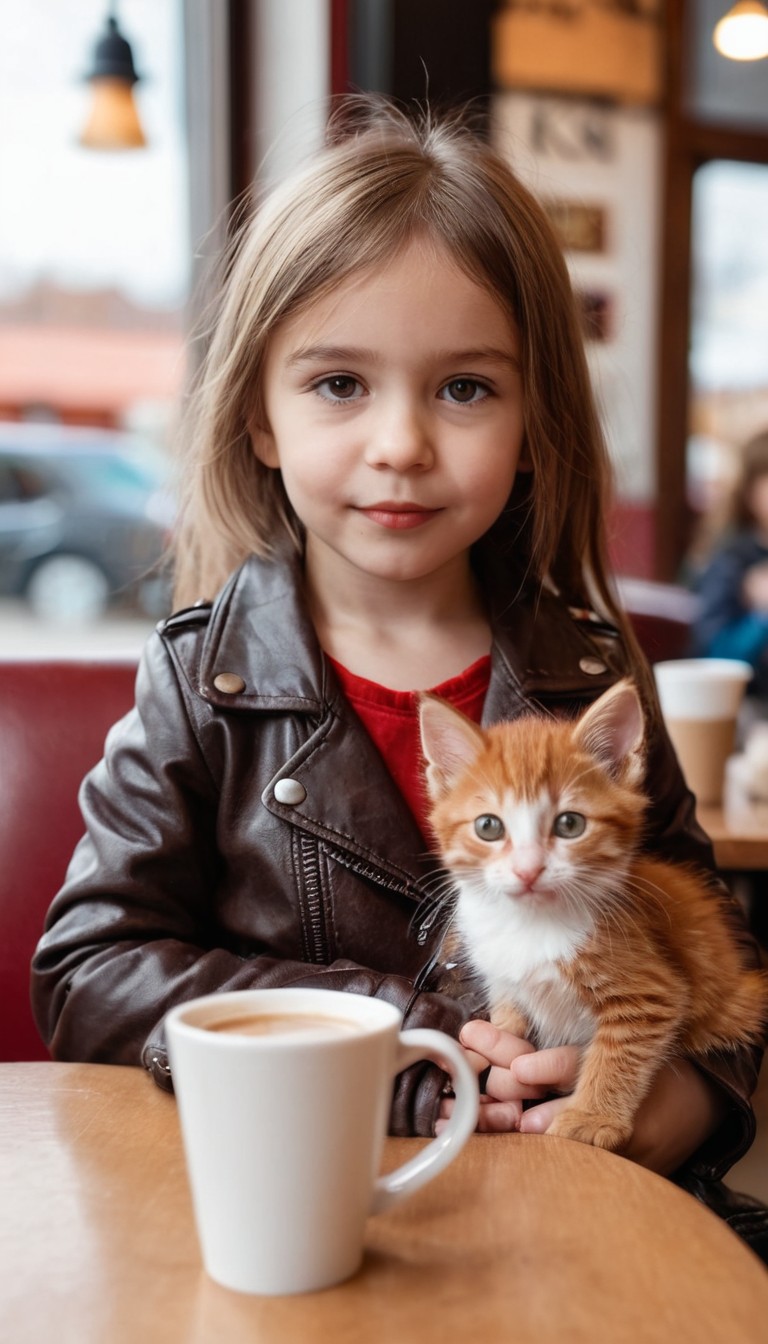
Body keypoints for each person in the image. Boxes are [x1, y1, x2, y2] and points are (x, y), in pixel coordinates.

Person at [30, 100, 765, 1237]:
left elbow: (711, 942)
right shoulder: (203, 683)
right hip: (290, 1202)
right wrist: (396, 1040)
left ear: (533, 420)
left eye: (465, 387)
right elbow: (90, 973)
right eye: (338, 384)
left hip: (563, 1221)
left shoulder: (587, 666)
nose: (401, 444)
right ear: (260, 418)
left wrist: (685, 1101)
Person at [694, 429, 768, 710]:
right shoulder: (732, 561)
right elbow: (716, 658)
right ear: (751, 493)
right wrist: (760, 617)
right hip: (744, 710)